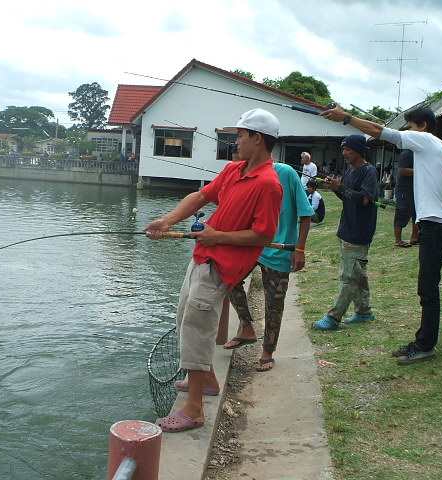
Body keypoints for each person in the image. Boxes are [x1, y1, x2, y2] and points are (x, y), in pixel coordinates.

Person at [144, 108, 283, 432]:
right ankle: (206, 380)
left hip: (223, 265)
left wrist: (217, 235)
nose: (235, 142)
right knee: (184, 318)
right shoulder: (235, 170)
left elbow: (265, 235)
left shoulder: (269, 184)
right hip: (203, 256)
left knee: (197, 326)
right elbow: (200, 196)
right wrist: (166, 221)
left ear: (257, 139)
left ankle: (194, 410)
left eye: (240, 136)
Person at [321, 105, 442, 365]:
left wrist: (347, 118)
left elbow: (381, 132)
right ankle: (421, 340)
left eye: (410, 125)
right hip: (441, 226)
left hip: (434, 226)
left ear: (423, 126)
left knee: (428, 290)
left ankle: (425, 345)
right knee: (428, 288)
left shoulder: (425, 140)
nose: (407, 131)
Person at [222, 162, 314, 372]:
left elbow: (306, 213)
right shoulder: (242, 173)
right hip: (249, 246)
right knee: (227, 277)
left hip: (279, 249)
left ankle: (267, 352)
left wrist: (299, 250)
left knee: (274, 305)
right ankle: (246, 328)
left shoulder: (287, 173)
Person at [313, 134, 378, 331]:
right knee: (358, 273)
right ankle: (364, 312)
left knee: (349, 276)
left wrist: (342, 187)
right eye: (343, 149)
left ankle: (334, 318)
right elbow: (347, 198)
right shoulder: (350, 171)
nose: (344, 153)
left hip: (359, 231)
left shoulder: (369, 172)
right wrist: (335, 188)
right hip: (347, 228)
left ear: (359, 150)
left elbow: (365, 200)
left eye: (347, 149)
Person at [393, 149, 419, 247]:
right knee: (402, 212)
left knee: (416, 213)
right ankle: (398, 240)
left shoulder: (418, 153)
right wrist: (420, 170)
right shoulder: (407, 153)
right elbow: (402, 171)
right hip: (405, 189)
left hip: (416, 188)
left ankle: (414, 237)